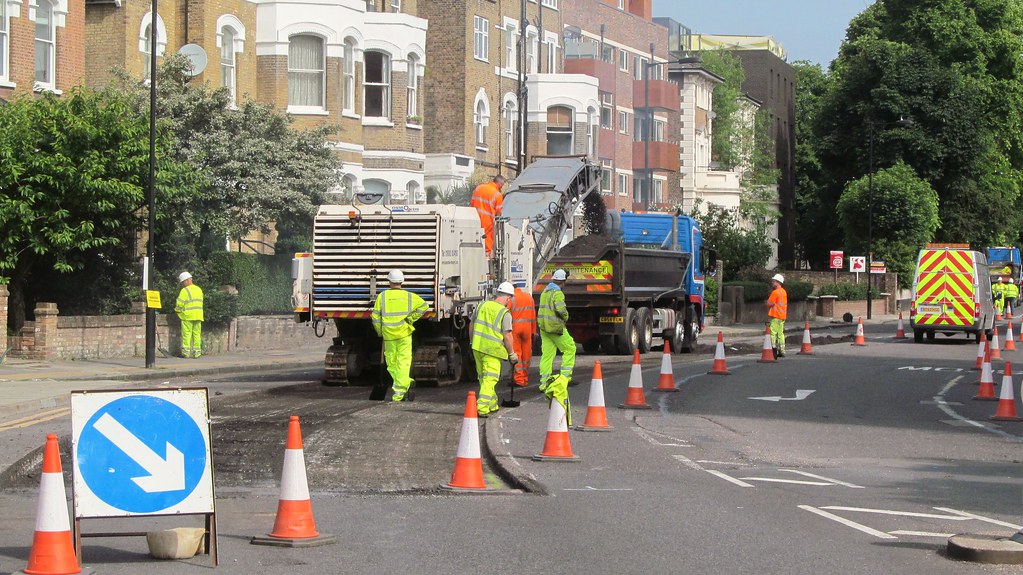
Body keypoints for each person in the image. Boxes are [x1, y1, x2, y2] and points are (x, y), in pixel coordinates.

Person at [371, 269, 429, 403]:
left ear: (389, 281)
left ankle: (398, 394)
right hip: (404, 334)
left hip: (389, 336)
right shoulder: (409, 296)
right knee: (403, 362)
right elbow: (424, 306)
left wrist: (380, 331)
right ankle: (406, 383)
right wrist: (411, 319)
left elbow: (375, 317)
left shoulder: (382, 296)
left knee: (391, 364)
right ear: (402, 281)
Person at [469, 282, 518, 417]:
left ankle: (492, 404)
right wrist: (512, 354)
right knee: (490, 379)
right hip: (492, 350)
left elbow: (471, 325)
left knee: (484, 378)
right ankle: (483, 407)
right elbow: (507, 336)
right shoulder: (504, 313)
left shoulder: (482, 305)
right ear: (508, 298)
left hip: (477, 347)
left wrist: (471, 342)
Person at [538, 269, 576, 425]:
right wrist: (566, 316)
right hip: (555, 328)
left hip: (544, 328)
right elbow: (561, 310)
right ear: (563, 281)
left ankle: (544, 382)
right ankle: (565, 378)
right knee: (570, 348)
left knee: (547, 355)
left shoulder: (544, 292)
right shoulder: (558, 293)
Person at [507, 282, 536, 387]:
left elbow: (505, 313)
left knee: (517, 353)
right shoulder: (529, 297)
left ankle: (519, 379)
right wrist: (533, 331)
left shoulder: (511, 299)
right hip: (527, 329)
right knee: (526, 354)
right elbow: (533, 316)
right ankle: (525, 378)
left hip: (515, 329)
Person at [470, 175, 506, 255]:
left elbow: (471, 203)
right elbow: (498, 214)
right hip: (487, 225)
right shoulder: (497, 195)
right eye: (502, 186)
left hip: (473, 221)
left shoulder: (479, 188)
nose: (501, 188)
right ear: (500, 184)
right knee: (487, 250)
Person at [175, 272, 204, 358]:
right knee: (197, 334)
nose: (183, 284)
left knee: (187, 334)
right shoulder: (199, 289)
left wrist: (177, 311)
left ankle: (186, 353)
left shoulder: (185, 290)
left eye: (183, 282)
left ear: (187, 281)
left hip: (187, 316)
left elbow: (179, 304)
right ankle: (197, 353)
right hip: (198, 315)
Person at [764, 273, 788, 358]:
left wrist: (766, 302)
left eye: (773, 281)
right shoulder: (783, 292)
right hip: (782, 317)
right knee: (780, 334)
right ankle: (782, 350)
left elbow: (769, 303)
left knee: (773, 333)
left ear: (778, 282)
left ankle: (773, 350)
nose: (772, 283)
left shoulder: (775, 293)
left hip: (775, 316)